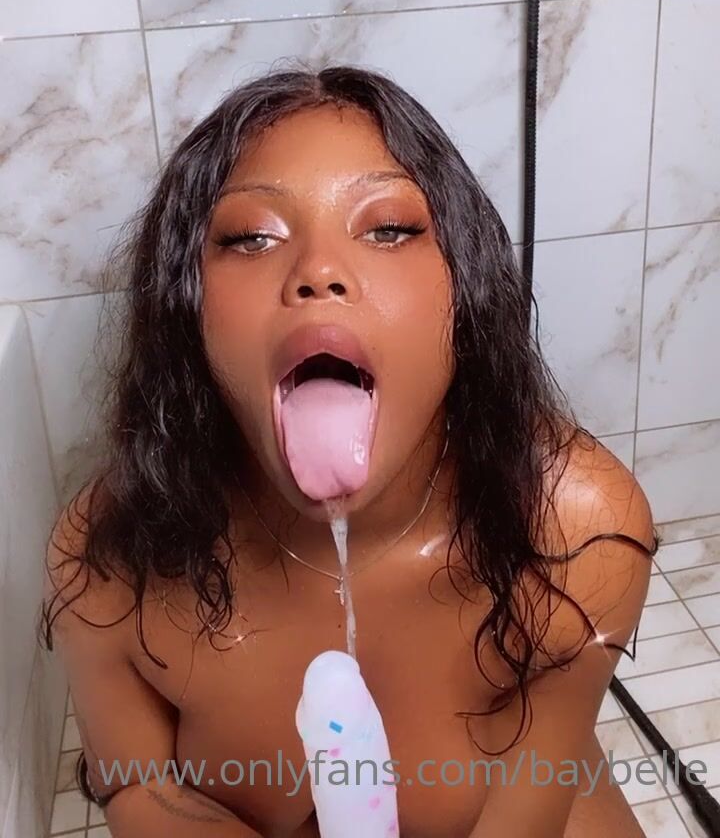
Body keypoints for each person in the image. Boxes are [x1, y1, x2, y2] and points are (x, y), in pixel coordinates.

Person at [42, 63, 656, 838]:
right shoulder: (106, 559)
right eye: (251, 237)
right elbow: (135, 782)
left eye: (389, 228)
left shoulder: (577, 533)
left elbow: (541, 787)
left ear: (465, 288)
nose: (319, 272)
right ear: (184, 309)